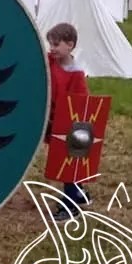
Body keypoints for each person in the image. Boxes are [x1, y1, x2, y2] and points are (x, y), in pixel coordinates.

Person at [45, 22, 92, 221]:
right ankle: (79, 194)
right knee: (65, 162)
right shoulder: (50, 61)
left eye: (56, 44)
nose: (52, 48)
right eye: (50, 44)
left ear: (70, 45)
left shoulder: (76, 74)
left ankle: (70, 206)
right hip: (53, 121)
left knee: (68, 164)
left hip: (68, 126)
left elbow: (80, 104)